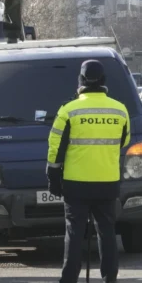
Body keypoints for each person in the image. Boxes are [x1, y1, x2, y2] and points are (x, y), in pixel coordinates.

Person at [47, 60, 129, 283]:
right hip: (108, 182)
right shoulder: (120, 110)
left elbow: (55, 149)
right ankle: (109, 278)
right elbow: (123, 141)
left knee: (74, 233)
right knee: (107, 232)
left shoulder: (68, 110)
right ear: (103, 81)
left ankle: (69, 278)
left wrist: (53, 178)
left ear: (80, 81)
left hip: (76, 184)